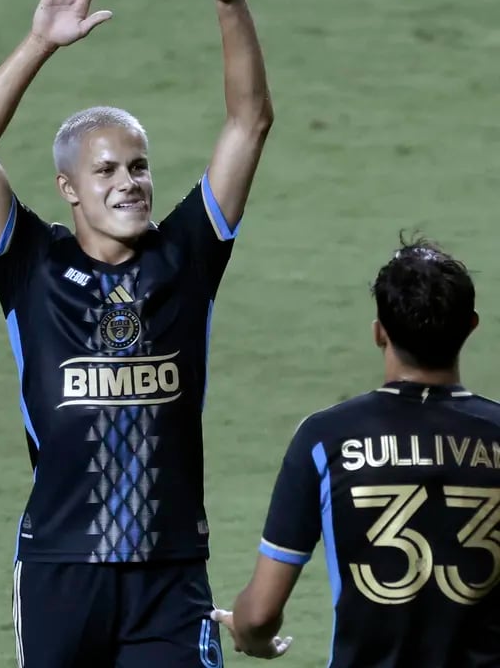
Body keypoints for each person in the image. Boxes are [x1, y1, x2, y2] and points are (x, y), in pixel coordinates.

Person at [0, 0, 272, 664]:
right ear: (67, 187)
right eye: (107, 170)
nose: (130, 183)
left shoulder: (186, 255)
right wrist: (39, 44)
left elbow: (248, 122)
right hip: (60, 566)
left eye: (139, 166)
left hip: (170, 574)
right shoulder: (29, 262)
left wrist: (231, 5)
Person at [213, 237, 500, 666]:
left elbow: (260, 614)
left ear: (379, 331)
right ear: (471, 326)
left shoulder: (325, 438)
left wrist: (250, 634)